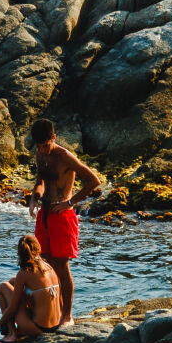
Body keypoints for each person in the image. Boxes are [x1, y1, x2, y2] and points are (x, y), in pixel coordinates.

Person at [27, 117, 102, 326]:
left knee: (62, 265)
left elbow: (93, 180)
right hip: (45, 214)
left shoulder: (65, 156)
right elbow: (40, 181)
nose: (42, 150)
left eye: (46, 145)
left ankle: (67, 316)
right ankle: (55, 311)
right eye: (39, 146)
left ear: (54, 137)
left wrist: (70, 202)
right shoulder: (39, 154)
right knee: (46, 263)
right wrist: (35, 198)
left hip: (63, 215)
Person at [0, 235, 62, 343]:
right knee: (13, 281)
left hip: (39, 329)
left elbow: (13, 308)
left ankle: (11, 334)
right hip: (55, 325)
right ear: (38, 248)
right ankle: (18, 331)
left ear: (19, 253)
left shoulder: (24, 272)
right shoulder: (49, 267)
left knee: (3, 287)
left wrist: (1, 322)